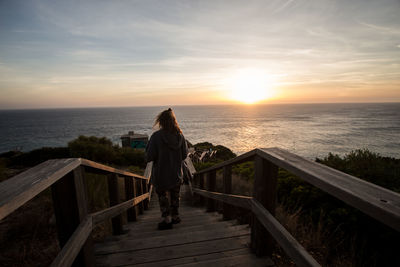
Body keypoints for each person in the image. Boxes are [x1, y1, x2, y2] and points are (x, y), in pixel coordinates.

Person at [145, 108, 188, 230]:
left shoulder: (156, 137)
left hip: (161, 174)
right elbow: (184, 155)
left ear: (161, 121)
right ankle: (175, 216)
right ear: (174, 121)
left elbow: (149, 157)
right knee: (175, 195)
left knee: (162, 197)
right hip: (176, 173)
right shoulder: (180, 136)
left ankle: (167, 219)